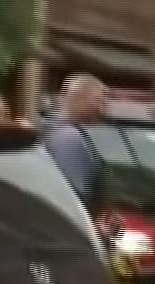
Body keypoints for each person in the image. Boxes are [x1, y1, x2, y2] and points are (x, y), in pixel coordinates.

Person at [40, 74, 107, 207]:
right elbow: (75, 193)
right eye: (98, 100)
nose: (102, 108)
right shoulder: (69, 137)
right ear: (80, 99)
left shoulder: (48, 128)